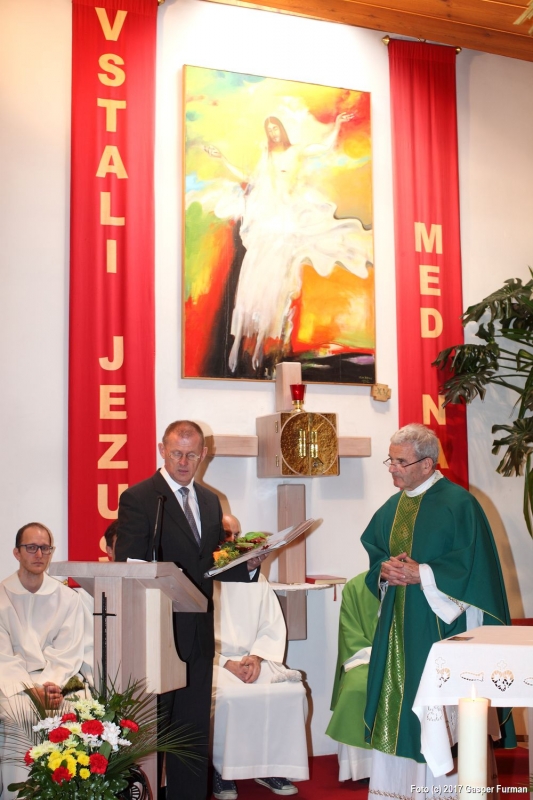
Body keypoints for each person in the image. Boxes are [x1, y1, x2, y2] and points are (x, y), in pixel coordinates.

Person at [361, 424, 515, 798]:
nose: (392, 468)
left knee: (440, 711)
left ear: (427, 464)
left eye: (401, 461)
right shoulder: (391, 508)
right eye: (390, 460)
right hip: (398, 628)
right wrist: (382, 571)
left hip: (442, 628)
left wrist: (425, 573)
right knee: (398, 709)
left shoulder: (459, 504)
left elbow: (475, 566)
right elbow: (375, 552)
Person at [115, 421, 261, 800]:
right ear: (161, 450)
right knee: (150, 738)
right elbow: (128, 567)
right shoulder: (140, 498)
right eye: (176, 453)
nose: (183, 461)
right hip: (155, 636)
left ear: (203, 455)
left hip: (197, 636)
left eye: (191, 454)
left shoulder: (211, 501)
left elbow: (209, 565)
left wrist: (246, 563)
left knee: (192, 739)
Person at [201, 112, 373, 374]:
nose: (273, 133)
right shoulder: (266, 156)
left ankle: (267, 347)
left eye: (275, 128)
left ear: (282, 129)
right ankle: (244, 347)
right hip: (267, 224)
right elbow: (250, 178)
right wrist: (222, 159)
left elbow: (323, 147)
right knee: (253, 282)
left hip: (287, 223)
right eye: (269, 129)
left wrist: (338, 124)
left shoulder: (296, 151)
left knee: (278, 285)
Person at [211, 516, 308, 800]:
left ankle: (271, 766)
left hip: (253, 660)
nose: (233, 540)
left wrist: (256, 657)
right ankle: (222, 771)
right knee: (230, 697)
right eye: (226, 534)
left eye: (237, 534)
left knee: (291, 692)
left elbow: (271, 626)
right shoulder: (202, 577)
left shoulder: (257, 579)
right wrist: (225, 663)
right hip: (216, 662)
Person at [0, 522, 86, 797]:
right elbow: (3, 656)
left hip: (56, 682)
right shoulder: (1, 597)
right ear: (17, 552)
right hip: (15, 685)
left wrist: (50, 685)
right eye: (31, 547)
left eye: (45, 548)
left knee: (76, 709)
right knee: (21, 715)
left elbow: (68, 650)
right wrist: (30, 689)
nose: (39, 554)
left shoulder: (68, 598)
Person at [326, 571, 379, 783]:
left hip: (407, 661)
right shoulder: (357, 586)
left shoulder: (419, 584)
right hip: (368, 658)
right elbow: (351, 634)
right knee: (357, 687)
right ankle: (363, 769)